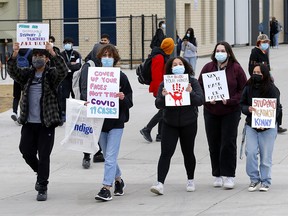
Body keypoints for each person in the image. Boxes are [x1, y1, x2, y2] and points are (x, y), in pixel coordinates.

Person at [7, 42, 68, 201]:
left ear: (46, 59)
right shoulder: (27, 74)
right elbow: (12, 71)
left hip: (46, 123)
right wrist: (14, 54)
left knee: (44, 155)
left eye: (41, 56)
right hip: (28, 122)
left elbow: (63, 70)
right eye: (35, 56)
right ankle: (40, 171)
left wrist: (53, 53)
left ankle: (42, 186)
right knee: (25, 151)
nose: (37, 59)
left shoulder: (51, 75)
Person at [81, 44, 133, 201]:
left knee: (109, 157)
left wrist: (122, 98)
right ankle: (119, 181)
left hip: (116, 123)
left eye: (110, 56)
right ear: (99, 58)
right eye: (105, 56)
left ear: (115, 59)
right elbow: (89, 95)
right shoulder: (94, 76)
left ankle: (106, 188)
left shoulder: (121, 77)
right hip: (100, 123)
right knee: (109, 155)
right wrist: (87, 103)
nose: (107, 59)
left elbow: (130, 101)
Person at [150, 57, 204, 195]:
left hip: (189, 122)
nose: (177, 66)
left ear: (185, 67)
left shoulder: (192, 81)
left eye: (180, 64)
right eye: (175, 65)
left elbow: (200, 100)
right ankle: (160, 183)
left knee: (188, 152)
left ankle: (190, 179)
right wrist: (162, 96)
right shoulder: (165, 83)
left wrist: (190, 92)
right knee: (166, 153)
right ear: (170, 68)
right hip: (170, 123)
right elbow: (158, 104)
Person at [198, 41, 247, 189]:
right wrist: (207, 99)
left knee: (228, 142)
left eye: (223, 50)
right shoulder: (208, 68)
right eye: (218, 50)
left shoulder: (236, 69)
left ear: (228, 53)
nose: (220, 53)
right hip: (211, 111)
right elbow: (199, 86)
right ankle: (217, 174)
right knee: (214, 143)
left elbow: (243, 90)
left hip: (230, 111)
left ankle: (229, 175)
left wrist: (231, 100)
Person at [240, 64, 280, 192]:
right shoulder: (248, 87)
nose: (256, 74)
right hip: (252, 125)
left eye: (259, 72)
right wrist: (248, 109)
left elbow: (277, 109)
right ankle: (254, 179)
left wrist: (268, 122)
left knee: (265, 156)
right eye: (254, 72)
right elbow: (242, 104)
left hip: (268, 127)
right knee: (250, 152)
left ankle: (265, 181)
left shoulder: (272, 89)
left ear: (265, 74)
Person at [248, 34, 287, 133]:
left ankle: (277, 123)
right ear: (259, 42)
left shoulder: (264, 52)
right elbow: (252, 69)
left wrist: (270, 75)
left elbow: (267, 67)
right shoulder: (255, 52)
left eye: (267, 42)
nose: (266, 44)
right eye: (264, 42)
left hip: (267, 80)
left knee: (276, 101)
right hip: (259, 81)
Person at [140, 38, 174, 142]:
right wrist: (159, 92)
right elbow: (157, 76)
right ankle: (147, 129)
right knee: (164, 110)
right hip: (159, 88)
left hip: (163, 87)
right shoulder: (159, 57)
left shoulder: (163, 56)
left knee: (164, 110)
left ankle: (160, 134)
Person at [60, 37, 82, 123]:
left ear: (72, 44)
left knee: (75, 96)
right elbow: (60, 65)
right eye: (66, 43)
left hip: (74, 78)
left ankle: (75, 114)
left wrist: (67, 64)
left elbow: (78, 65)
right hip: (64, 78)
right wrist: (70, 64)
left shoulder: (76, 54)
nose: (68, 44)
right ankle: (63, 114)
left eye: (69, 43)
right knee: (64, 97)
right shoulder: (61, 54)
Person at [11, 48, 33, 125]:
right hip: (27, 77)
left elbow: (11, 63)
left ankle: (14, 112)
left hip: (17, 77)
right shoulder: (30, 52)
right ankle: (24, 115)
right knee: (26, 96)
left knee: (16, 96)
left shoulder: (16, 51)